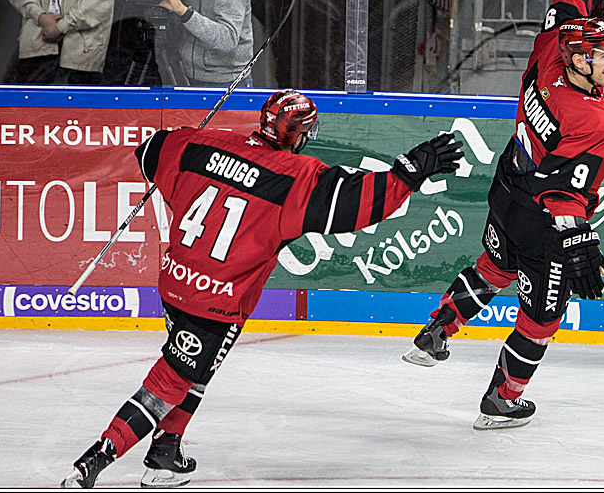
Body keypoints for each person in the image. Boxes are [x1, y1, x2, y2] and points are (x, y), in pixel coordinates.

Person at [60, 90, 464, 487]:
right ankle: (94, 461)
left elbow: (150, 151)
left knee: (196, 369)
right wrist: (410, 171)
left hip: (173, 285)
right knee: (171, 381)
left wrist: (191, 139)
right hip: (216, 302)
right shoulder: (298, 179)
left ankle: (166, 449)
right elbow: (358, 202)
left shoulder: (197, 144)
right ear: (299, 134)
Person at [402, 0, 604, 430]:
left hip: (505, 190)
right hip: (542, 218)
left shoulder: (548, 50)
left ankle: (437, 329)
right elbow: (562, 192)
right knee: (542, 316)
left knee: (494, 267)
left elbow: (569, 1)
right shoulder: (596, 122)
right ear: (582, 60)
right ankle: (502, 398)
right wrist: (582, 246)